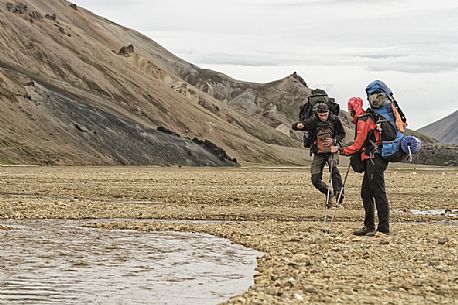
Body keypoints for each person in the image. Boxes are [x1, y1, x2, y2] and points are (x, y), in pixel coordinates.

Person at [331, 96, 390, 236]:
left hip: (374, 158)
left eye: (350, 108)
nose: (349, 111)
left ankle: (383, 228)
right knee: (366, 193)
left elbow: (358, 145)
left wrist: (340, 150)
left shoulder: (363, 120)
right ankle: (369, 226)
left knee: (378, 192)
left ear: (352, 108)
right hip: (373, 159)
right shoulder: (365, 118)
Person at [292, 102, 346, 206]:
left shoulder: (334, 120)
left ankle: (339, 192)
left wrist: (334, 140)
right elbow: (295, 126)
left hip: (332, 150)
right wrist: (298, 126)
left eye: (325, 115)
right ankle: (327, 192)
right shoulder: (313, 121)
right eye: (321, 115)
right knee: (315, 179)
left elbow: (342, 133)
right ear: (317, 114)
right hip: (318, 152)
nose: (323, 117)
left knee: (333, 167)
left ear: (328, 112)